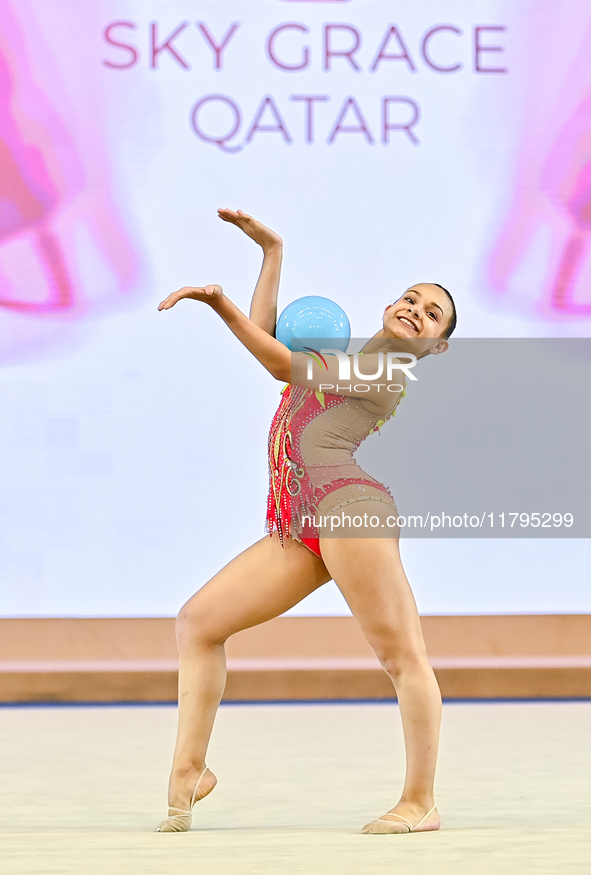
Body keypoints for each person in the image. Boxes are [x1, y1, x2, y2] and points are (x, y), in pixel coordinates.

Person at [156, 210, 457, 835]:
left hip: (350, 510)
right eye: (409, 297)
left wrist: (216, 302)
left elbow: (272, 361)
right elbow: (266, 334)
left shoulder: (383, 372)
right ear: (386, 305)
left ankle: (420, 801)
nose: (413, 309)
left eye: (430, 314)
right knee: (199, 622)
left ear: (436, 345)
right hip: (300, 521)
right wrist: (272, 252)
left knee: (402, 656)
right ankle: (190, 769)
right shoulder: (334, 355)